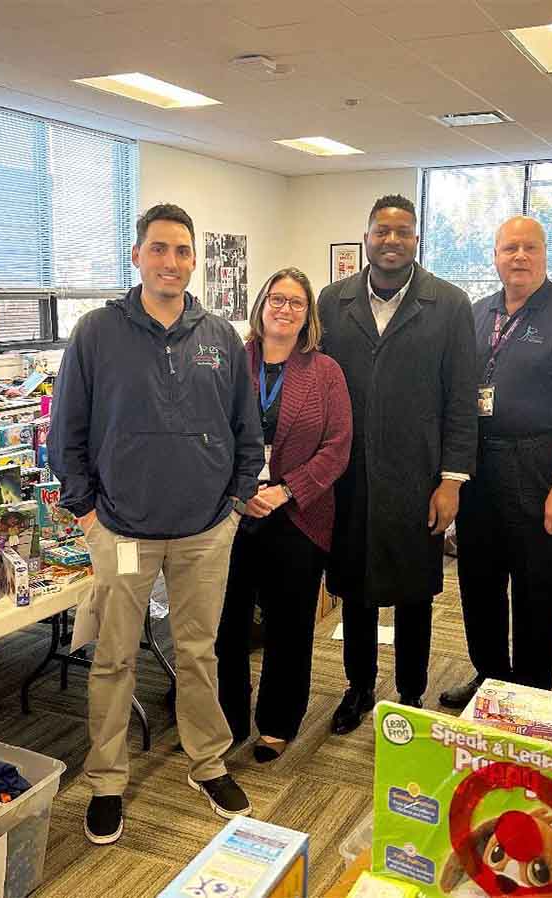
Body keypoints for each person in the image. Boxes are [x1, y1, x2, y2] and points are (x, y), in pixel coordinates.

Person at [48, 203, 264, 845]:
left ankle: (207, 762)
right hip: (119, 533)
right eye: (159, 249)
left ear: (194, 260)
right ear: (137, 255)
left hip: (204, 534)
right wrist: (90, 517)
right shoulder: (95, 333)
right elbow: (68, 436)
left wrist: (231, 509)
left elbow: (247, 435)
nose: (170, 262)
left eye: (181, 251)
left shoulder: (220, 338)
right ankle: (107, 781)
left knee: (198, 652)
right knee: (112, 656)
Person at [318, 194, 478, 735]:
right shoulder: (331, 301)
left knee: (413, 592)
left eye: (402, 231)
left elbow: (461, 399)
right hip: (349, 476)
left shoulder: (450, 305)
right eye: (381, 231)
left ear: (416, 239)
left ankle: (410, 693)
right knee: (355, 589)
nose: (391, 240)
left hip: (419, 476)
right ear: (366, 237)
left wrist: (452, 480)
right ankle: (358, 687)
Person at [439, 216, 552, 709]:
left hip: (539, 465)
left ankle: (532, 694)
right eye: (510, 247)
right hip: (481, 464)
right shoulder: (475, 312)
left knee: (538, 587)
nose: (519, 257)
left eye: (530, 247)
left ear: (546, 254)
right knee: (479, 581)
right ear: (495, 255)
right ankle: (489, 677)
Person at [215, 268, 352, 762]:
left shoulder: (325, 372)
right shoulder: (232, 360)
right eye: (277, 299)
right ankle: (228, 719)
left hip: (299, 517)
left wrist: (287, 491)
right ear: (262, 305)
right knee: (226, 624)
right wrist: (242, 489)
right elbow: (211, 432)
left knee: (289, 625)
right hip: (232, 513)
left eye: (296, 302)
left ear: (307, 313)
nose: (285, 309)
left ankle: (277, 721)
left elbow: (338, 449)